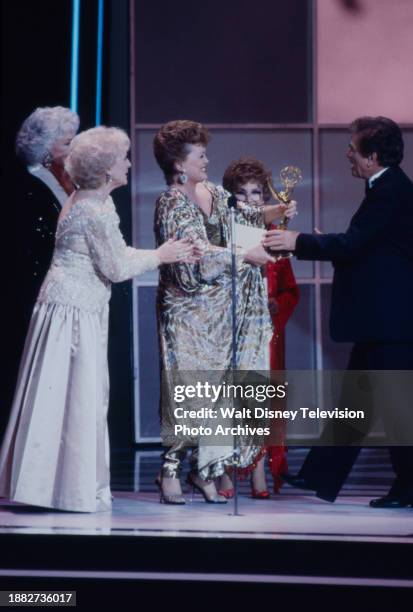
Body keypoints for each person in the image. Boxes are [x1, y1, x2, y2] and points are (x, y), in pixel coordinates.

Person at [0, 126, 195, 512]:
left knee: (68, 394)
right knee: (71, 394)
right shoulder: (91, 208)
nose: (128, 163)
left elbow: (115, 254)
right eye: (122, 158)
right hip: (72, 312)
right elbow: (117, 266)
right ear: (107, 169)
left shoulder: (94, 201)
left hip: (72, 305)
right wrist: (163, 254)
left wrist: (161, 253)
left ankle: (52, 485)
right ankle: (60, 489)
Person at [263, 116, 413, 508]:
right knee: (358, 402)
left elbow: (352, 245)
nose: (347, 153)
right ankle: (321, 475)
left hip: (391, 321)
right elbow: (365, 247)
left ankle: (406, 485)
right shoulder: (385, 187)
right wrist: (318, 241)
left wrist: (298, 241)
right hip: (382, 320)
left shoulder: (391, 191)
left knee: (395, 408)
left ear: (372, 156)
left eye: (353, 148)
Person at [153, 120, 297, 504]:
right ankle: (169, 468)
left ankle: (205, 470)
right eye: (200, 154)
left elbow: (242, 220)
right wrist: (241, 254)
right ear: (179, 164)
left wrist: (276, 211)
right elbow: (192, 254)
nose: (207, 159)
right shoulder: (171, 201)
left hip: (219, 309)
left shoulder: (214, 192)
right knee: (186, 386)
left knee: (217, 390)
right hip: (185, 310)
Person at [218, 158, 299, 499]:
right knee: (227, 399)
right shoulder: (222, 233)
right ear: (230, 196)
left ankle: (260, 468)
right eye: (242, 193)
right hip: (229, 330)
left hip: (265, 333)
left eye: (256, 193)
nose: (250, 199)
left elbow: (289, 290)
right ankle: (221, 469)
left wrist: (276, 308)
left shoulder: (273, 238)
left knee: (259, 402)